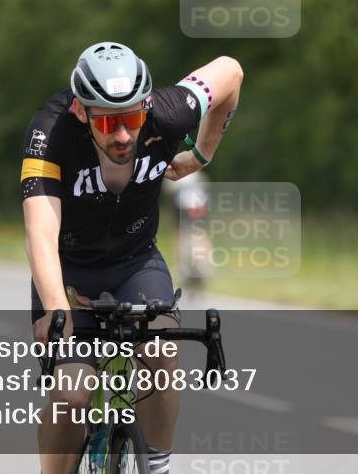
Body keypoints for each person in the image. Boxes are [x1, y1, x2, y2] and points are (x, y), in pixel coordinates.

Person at [22, 42, 242, 474]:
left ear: (146, 107)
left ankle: (156, 466)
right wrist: (56, 311)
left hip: (136, 263)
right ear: (82, 112)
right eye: (108, 122)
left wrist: (202, 153)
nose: (123, 135)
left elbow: (230, 72)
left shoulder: (167, 112)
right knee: (72, 394)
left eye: (132, 120)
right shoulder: (51, 132)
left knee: (162, 354)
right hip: (70, 273)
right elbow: (40, 233)